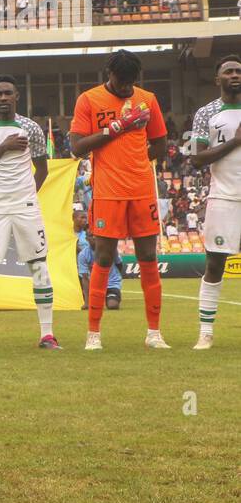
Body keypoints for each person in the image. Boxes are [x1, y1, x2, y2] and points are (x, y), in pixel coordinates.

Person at [68, 49, 169, 350]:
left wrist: (136, 161)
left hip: (141, 190)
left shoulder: (147, 99)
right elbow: (77, 147)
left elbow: (160, 143)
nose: (126, 87)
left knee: (148, 257)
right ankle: (93, 334)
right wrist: (118, 127)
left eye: (131, 82)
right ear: (109, 74)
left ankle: (154, 333)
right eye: (121, 81)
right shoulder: (89, 99)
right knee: (103, 257)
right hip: (107, 192)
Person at [0, 76, 60, 350]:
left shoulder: (30, 128)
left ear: (17, 96)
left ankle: (47, 335)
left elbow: (42, 169)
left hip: (24, 207)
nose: (3, 98)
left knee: (39, 266)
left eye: (8, 93)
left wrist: (28, 196)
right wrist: (3, 147)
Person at [188, 55, 241, 349]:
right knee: (215, 263)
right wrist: (235, 141)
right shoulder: (205, 113)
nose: (235, 75)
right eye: (229, 72)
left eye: (238, 71)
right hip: (223, 197)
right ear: (217, 79)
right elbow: (196, 159)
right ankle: (205, 332)